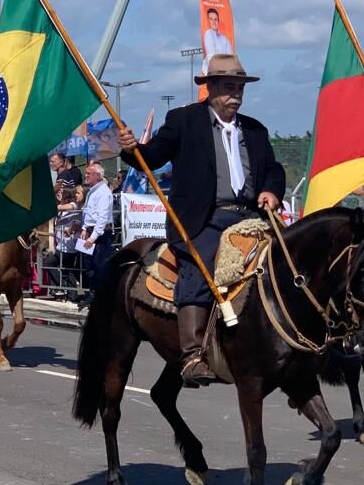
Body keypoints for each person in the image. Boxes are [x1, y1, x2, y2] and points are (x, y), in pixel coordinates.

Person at [119, 53, 285, 387]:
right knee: (199, 266)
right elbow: (152, 158)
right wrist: (132, 148)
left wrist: (271, 190)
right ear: (209, 88)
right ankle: (193, 353)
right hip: (201, 220)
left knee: (289, 261)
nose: (235, 95)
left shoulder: (255, 130)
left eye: (239, 88)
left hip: (249, 218)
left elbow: (273, 169)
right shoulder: (184, 121)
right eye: (228, 87)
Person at [76, 164, 114, 308]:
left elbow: (102, 218)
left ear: (97, 176)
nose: (86, 175)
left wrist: (93, 237)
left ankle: (101, 298)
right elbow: (89, 212)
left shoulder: (104, 193)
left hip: (100, 235)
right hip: (91, 231)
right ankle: (93, 294)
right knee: (89, 266)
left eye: (89, 173)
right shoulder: (93, 191)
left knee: (100, 266)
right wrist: (85, 228)